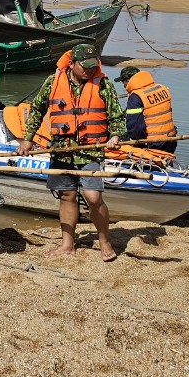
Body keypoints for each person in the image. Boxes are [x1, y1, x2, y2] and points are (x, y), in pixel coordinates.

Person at [15, 43, 125, 262]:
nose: (89, 70)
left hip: (91, 150)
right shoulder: (53, 82)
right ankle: (67, 245)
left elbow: (117, 118)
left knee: (93, 198)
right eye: (84, 66)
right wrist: (27, 139)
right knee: (67, 195)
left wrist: (115, 136)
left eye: (92, 66)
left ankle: (105, 241)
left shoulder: (103, 85)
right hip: (61, 150)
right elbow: (37, 110)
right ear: (72, 63)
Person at [115, 66, 178, 154]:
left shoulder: (136, 97)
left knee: (120, 138)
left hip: (153, 144)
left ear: (128, 81)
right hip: (171, 140)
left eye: (123, 82)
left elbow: (135, 129)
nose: (124, 85)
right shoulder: (161, 88)